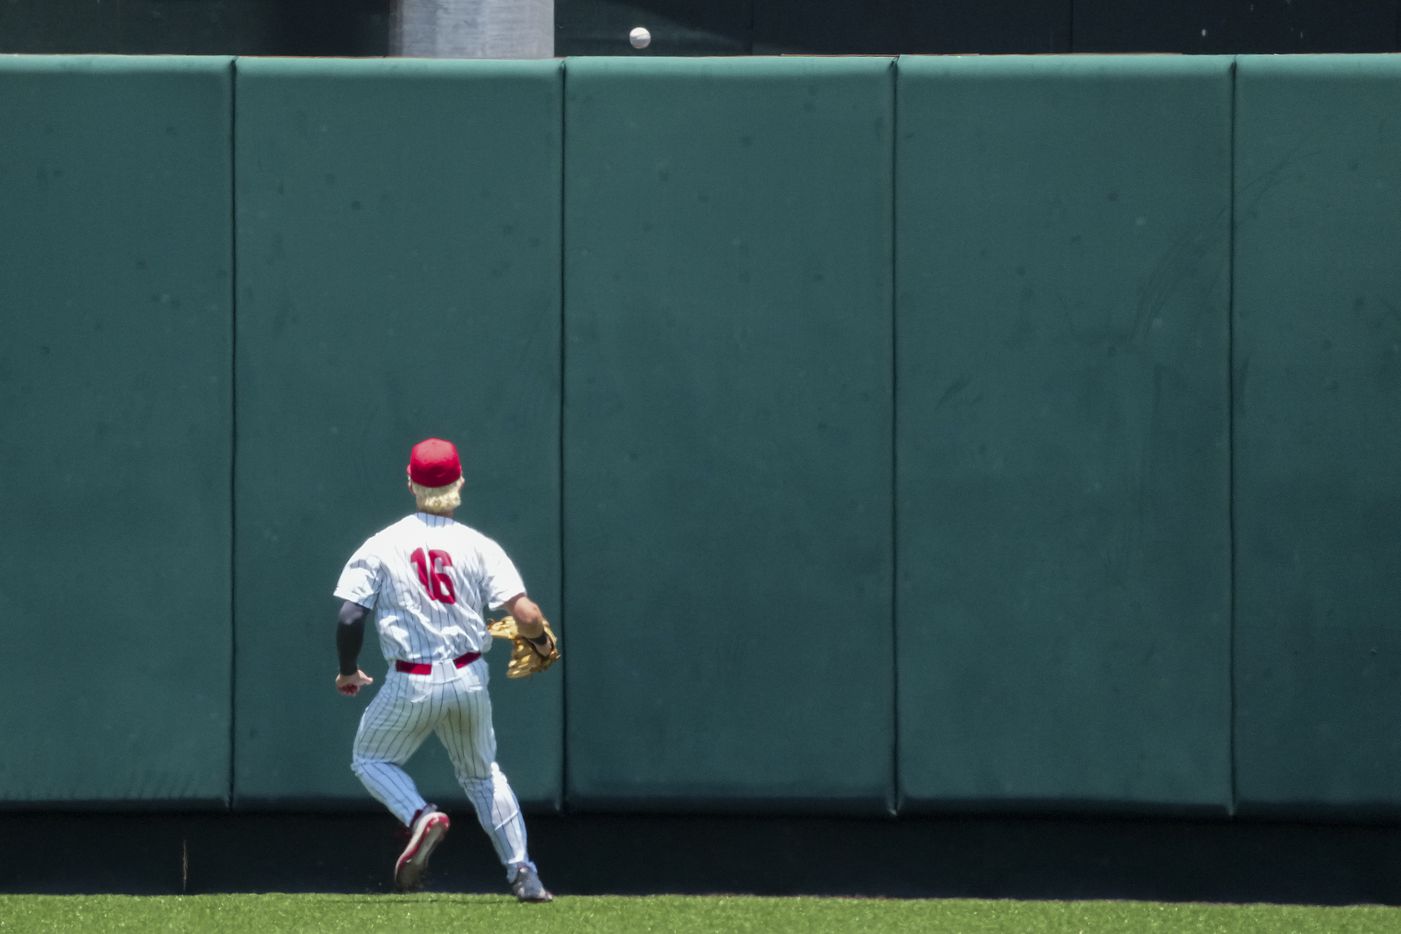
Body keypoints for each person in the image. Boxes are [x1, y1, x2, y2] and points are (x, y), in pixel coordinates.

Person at [332, 437, 555, 902]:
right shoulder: (479, 546)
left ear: (410, 482)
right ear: (459, 484)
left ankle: (419, 816)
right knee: (483, 775)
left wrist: (349, 670)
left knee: (370, 759)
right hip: (470, 678)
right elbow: (529, 615)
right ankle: (523, 874)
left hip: (410, 681)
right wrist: (536, 640)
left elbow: (351, 616)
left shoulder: (383, 543)